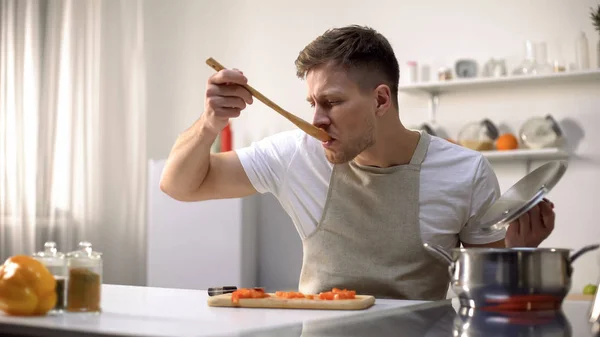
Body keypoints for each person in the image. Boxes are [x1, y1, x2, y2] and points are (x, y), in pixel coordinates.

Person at [160, 25, 555, 300]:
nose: (316, 119)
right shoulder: (295, 154)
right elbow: (179, 185)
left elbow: (486, 299)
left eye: (331, 102)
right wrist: (211, 122)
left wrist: (518, 255)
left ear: (381, 100)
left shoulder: (465, 172)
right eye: (312, 103)